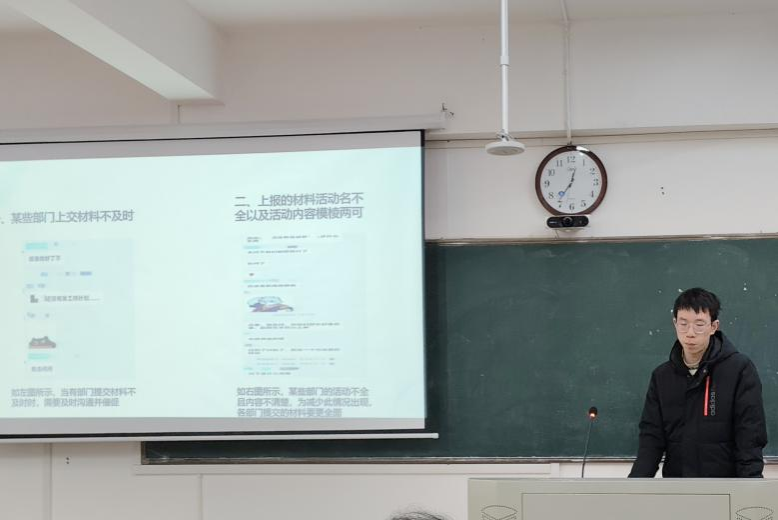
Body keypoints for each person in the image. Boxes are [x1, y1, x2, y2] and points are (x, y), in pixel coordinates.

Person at [629, 287, 767, 478]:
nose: (690, 333)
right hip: (679, 487)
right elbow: (651, 440)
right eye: (683, 324)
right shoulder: (662, 376)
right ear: (675, 324)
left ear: (714, 326)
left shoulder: (739, 370)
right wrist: (634, 487)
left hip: (725, 487)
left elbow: (749, 437)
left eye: (699, 324)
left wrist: (749, 488)